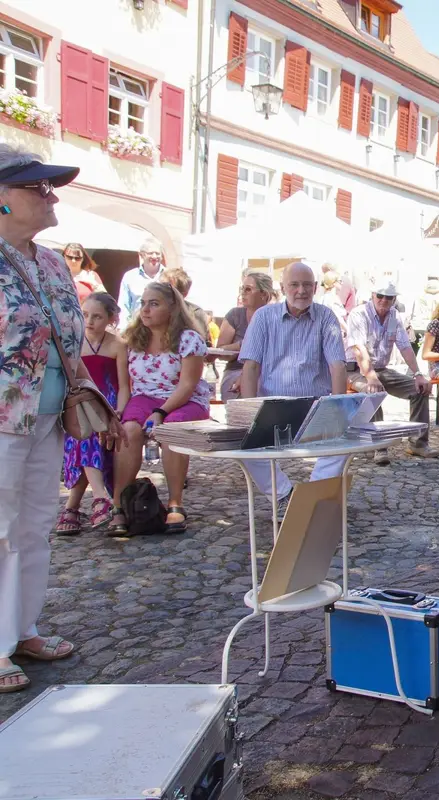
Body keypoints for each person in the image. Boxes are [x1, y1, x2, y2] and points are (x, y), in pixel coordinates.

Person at [0, 146, 121, 693]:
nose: (51, 196)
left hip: (48, 415)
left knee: (32, 529)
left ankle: (20, 628)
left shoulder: (49, 261)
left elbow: (70, 339)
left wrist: (95, 400)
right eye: (37, 188)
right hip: (4, 418)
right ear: (2, 199)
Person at [239, 261, 348, 508]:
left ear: (316, 287)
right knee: (242, 442)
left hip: (314, 408)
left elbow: (337, 366)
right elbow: (251, 367)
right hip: (272, 409)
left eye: (307, 285)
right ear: (282, 287)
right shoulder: (264, 317)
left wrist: (338, 407)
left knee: (345, 441)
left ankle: (313, 496)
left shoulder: (325, 316)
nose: (301, 291)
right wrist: (248, 409)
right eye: (294, 285)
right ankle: (284, 496)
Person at [111, 282, 211, 536]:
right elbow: (125, 383)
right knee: (129, 431)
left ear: (172, 308)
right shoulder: (133, 338)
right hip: (144, 396)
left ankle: (175, 502)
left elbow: (188, 384)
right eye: (143, 303)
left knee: (170, 430)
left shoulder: (188, 339)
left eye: (153, 304)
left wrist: (161, 412)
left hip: (183, 399)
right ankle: (118, 506)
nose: (145, 310)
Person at [345, 281, 439, 464]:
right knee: (374, 391)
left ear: (394, 298)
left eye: (388, 297)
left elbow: (405, 346)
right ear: (372, 296)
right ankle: (378, 447)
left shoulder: (394, 315)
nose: (383, 300)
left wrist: (418, 374)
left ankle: (418, 443)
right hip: (354, 369)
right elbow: (358, 349)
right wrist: (370, 376)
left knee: (419, 389)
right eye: (379, 296)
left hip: (381, 369)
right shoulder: (358, 314)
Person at [56, 292, 127, 535]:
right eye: (85, 315)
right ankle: (99, 498)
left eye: (97, 316)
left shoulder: (117, 345)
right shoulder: (73, 342)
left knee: (90, 435)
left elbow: (124, 385)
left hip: (108, 403)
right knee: (85, 433)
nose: (89, 321)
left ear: (110, 319)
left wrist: (117, 412)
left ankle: (72, 507)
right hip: (82, 404)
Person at [216, 271, 274, 401]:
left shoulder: (275, 317)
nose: (243, 293)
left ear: (264, 294)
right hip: (235, 370)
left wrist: (246, 375)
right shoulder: (235, 315)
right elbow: (221, 352)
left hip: (268, 372)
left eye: (248, 289)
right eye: (242, 289)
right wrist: (244, 344)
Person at [117, 236, 165, 328]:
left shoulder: (168, 276)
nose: (154, 256)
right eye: (150, 253)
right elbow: (123, 307)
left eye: (157, 253)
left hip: (162, 330)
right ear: (142, 255)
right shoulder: (130, 277)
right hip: (136, 329)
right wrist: (123, 330)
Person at [159, 267, 209, 334]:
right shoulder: (150, 309)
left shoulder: (195, 313)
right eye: (159, 287)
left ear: (184, 294)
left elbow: (200, 339)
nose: (160, 292)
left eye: (167, 289)